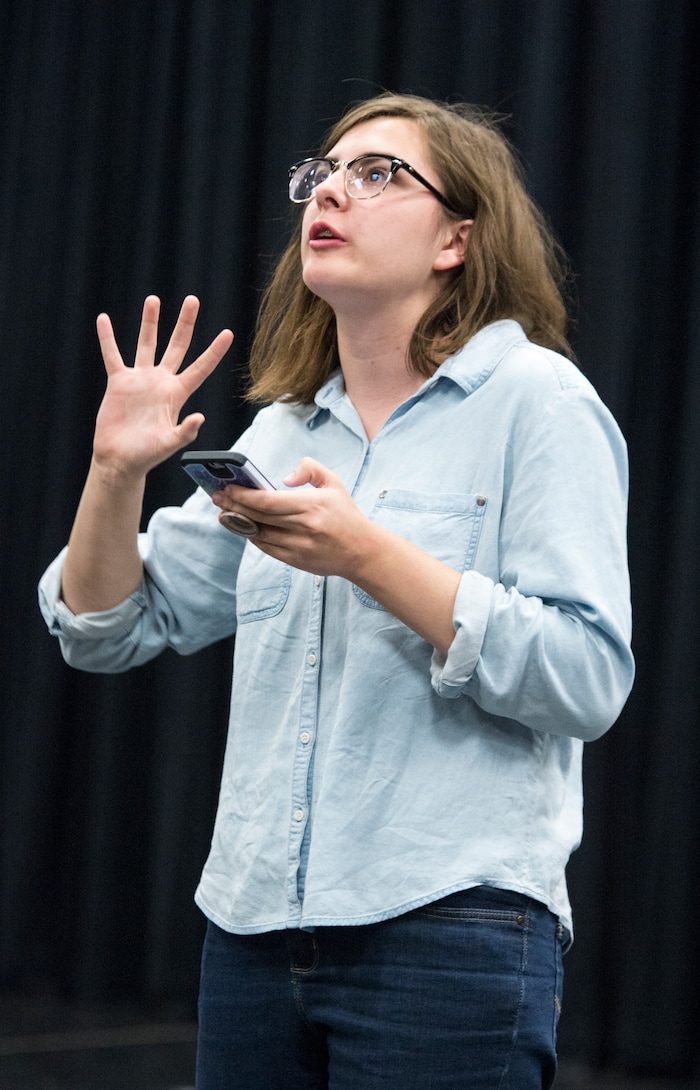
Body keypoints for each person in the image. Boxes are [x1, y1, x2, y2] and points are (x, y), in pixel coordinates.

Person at [39, 92, 634, 1089]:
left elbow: (586, 676)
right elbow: (105, 628)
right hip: (253, 932)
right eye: (320, 174)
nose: (329, 193)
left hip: (448, 929)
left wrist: (368, 554)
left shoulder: (539, 403)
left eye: (377, 173)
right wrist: (113, 473)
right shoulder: (280, 435)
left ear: (456, 237)